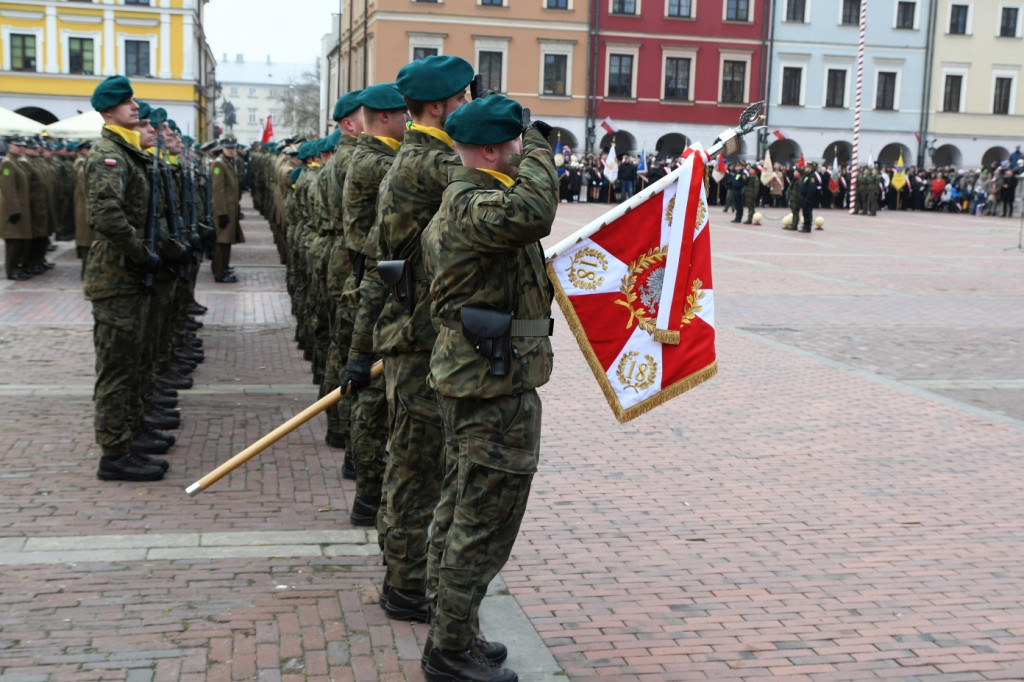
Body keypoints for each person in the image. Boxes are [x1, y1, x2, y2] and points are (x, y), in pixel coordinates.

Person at [420, 93, 557, 682]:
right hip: (487, 388)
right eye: (515, 146)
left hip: (487, 378)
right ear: (488, 151)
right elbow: (535, 210)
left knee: (462, 509)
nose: (523, 153)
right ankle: (449, 649)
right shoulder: (472, 204)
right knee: (482, 520)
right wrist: (543, 147)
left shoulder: (476, 202)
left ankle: (457, 629)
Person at [358, 55, 475, 626]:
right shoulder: (430, 163)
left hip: (413, 334)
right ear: (438, 107)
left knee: (415, 463)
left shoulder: (418, 158)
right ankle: (404, 584)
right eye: (466, 98)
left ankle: (403, 576)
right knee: (416, 467)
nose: (472, 104)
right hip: (418, 339)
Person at [83, 75, 167, 481]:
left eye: (133, 100)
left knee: (133, 361)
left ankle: (129, 433)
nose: (135, 106)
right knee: (117, 367)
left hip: (128, 274)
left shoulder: (127, 152)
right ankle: (114, 454)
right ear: (108, 111)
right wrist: (141, 252)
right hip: (116, 275)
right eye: (126, 102)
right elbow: (108, 216)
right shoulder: (107, 155)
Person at [339, 83, 408, 528]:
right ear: (384, 117)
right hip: (378, 282)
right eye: (405, 114)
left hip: (374, 277)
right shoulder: (378, 162)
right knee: (374, 404)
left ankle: (366, 494)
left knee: (372, 401)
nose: (410, 121)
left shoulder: (368, 156)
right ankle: (368, 496)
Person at [211, 138, 243, 282]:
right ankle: (220, 272)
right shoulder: (219, 164)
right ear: (222, 148)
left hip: (229, 209)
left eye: (233, 148)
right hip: (223, 210)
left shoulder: (229, 162)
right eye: (228, 148)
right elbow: (218, 191)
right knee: (222, 242)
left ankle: (223, 267)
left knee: (227, 241)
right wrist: (221, 213)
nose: (231, 150)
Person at [1, 136, 33, 280]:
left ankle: (17, 268)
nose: (21, 148)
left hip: (21, 208)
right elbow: (8, 189)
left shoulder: (17, 162)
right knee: (13, 242)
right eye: (17, 145)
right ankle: (12, 270)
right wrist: (13, 210)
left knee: (20, 240)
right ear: (10, 147)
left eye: (22, 146)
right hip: (13, 209)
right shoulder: (8, 164)